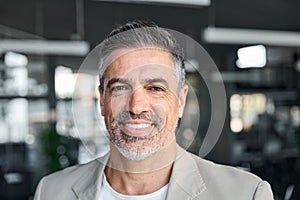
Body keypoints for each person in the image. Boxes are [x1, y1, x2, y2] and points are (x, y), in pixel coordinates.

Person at [34, 20, 274, 200]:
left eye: (155, 88)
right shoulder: (51, 191)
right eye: (119, 88)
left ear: (180, 101)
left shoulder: (245, 193)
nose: (136, 107)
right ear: (101, 99)